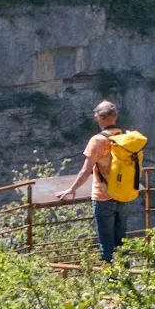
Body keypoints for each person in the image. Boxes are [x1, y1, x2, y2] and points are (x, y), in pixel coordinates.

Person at [59, 100, 130, 262]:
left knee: (106, 243)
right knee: (122, 242)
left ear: (99, 117)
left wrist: (72, 189)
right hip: (123, 194)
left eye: (96, 114)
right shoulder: (125, 136)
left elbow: (86, 170)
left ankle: (111, 282)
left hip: (103, 197)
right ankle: (125, 279)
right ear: (115, 117)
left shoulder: (98, 140)